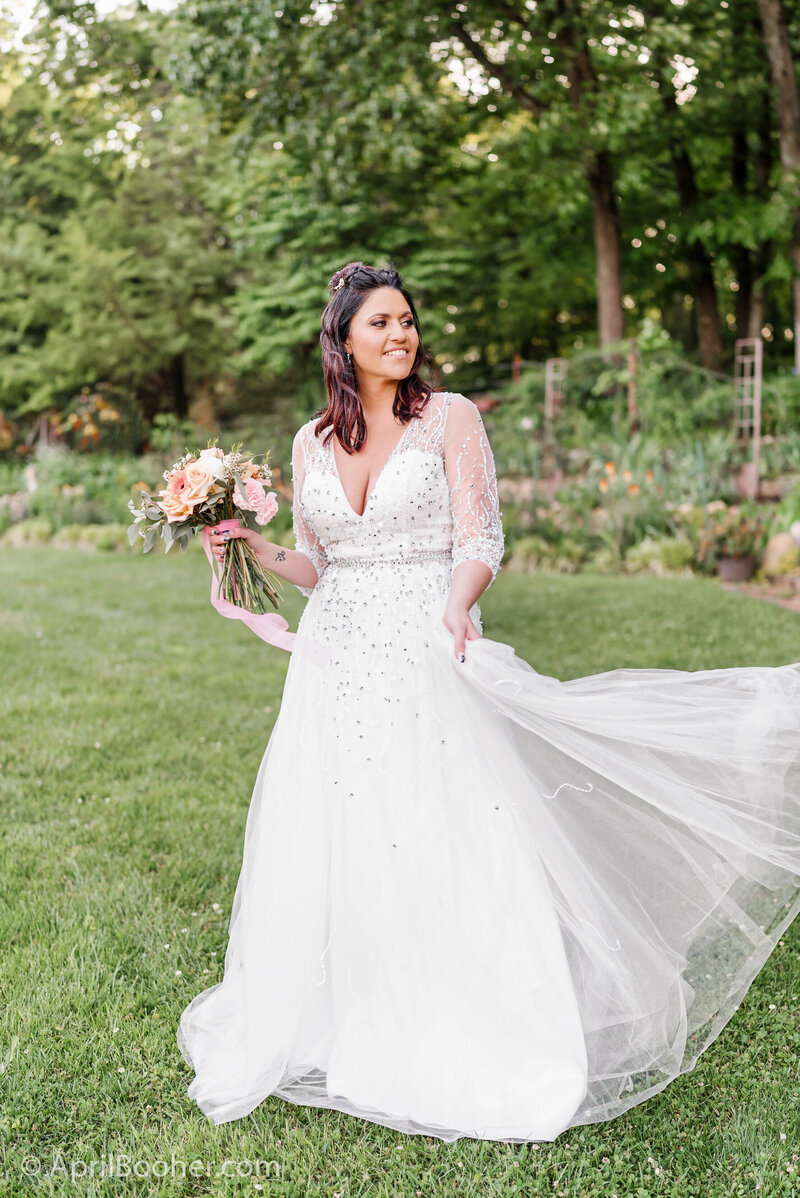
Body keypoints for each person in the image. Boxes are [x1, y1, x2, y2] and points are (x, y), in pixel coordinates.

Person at [178, 261, 800, 1143]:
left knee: (442, 821)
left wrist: (458, 601)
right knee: (344, 826)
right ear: (343, 341)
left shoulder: (452, 419)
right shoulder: (311, 441)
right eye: (381, 324)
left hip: (426, 639)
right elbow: (318, 566)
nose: (401, 336)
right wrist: (252, 546)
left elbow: (481, 536)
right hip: (337, 658)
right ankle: (345, 1008)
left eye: (407, 321)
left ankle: (475, 1016)